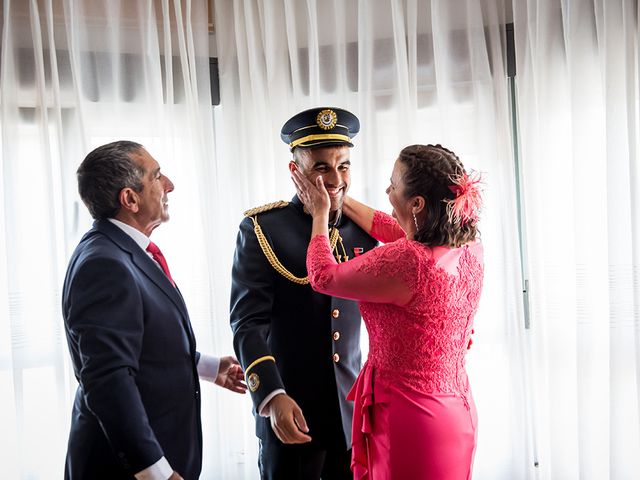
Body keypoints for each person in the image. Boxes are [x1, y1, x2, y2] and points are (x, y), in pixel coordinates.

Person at [292, 144, 484, 479]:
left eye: (393, 185)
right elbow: (395, 229)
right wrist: (341, 199)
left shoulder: (405, 262)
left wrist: (322, 212)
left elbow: (323, 277)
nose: (387, 191)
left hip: (411, 419)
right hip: (457, 412)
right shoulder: (468, 246)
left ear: (417, 203)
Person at [62, 141, 247, 480]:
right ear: (130, 199)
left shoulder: (121, 250)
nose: (169, 185)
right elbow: (108, 379)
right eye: (157, 176)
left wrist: (206, 367)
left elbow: (142, 345)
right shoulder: (104, 264)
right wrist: (154, 471)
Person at [230, 107, 377, 479]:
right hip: (291, 412)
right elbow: (248, 324)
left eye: (343, 165)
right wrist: (270, 395)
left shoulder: (365, 232)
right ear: (296, 171)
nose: (335, 178)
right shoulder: (263, 229)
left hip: (353, 414)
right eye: (321, 167)